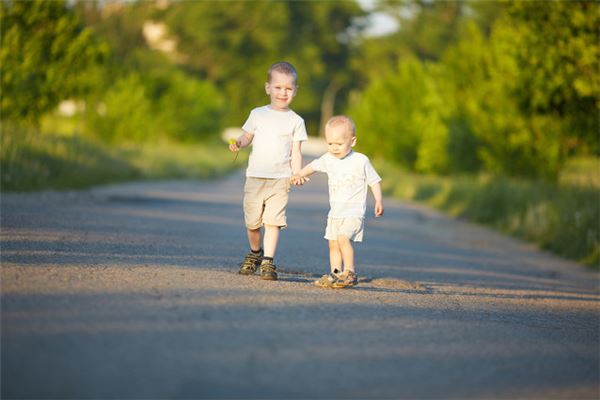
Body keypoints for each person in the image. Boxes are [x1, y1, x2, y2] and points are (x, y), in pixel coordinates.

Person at [228, 61, 308, 281]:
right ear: (268, 88)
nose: (283, 93)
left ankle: (268, 261)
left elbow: (296, 151)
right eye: (278, 87)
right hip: (255, 177)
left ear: (295, 91)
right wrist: (239, 143)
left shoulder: (296, 121)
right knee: (253, 224)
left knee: (273, 221)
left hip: (280, 180)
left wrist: (297, 172)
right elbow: (247, 136)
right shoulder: (257, 114)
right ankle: (255, 253)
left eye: (288, 88)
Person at [291, 115, 383, 288]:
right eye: (330, 143)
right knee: (333, 243)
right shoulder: (328, 158)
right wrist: (299, 174)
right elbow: (313, 166)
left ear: (352, 141)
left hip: (353, 212)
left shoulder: (360, 160)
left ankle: (349, 272)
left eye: (339, 144)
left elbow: (374, 180)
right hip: (335, 213)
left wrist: (378, 200)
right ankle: (335, 273)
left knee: (342, 238)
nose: (334, 148)